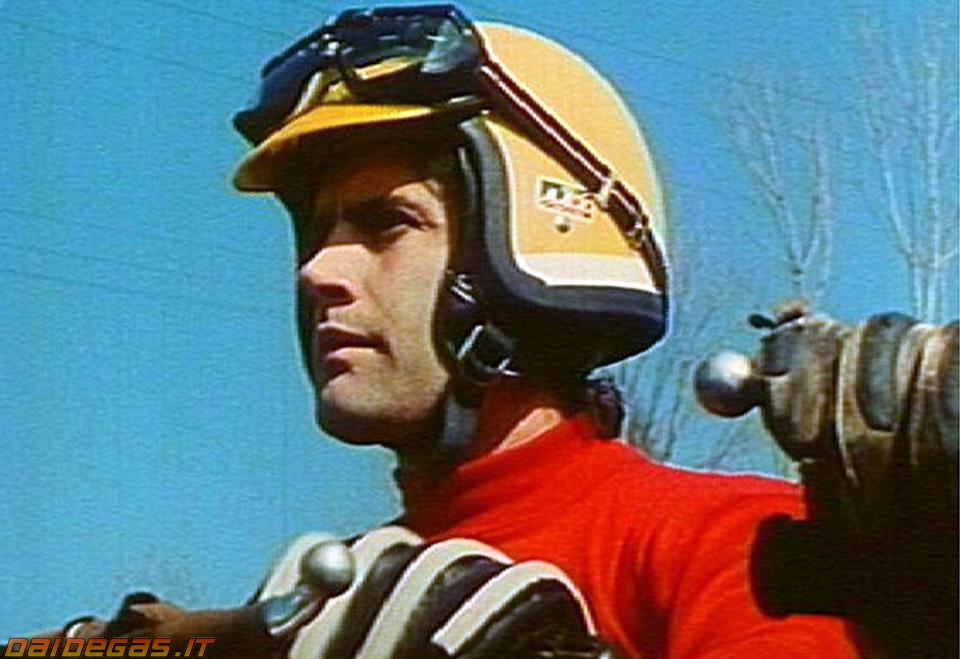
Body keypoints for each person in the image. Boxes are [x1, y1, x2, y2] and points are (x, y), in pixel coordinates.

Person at [7, 6, 861, 658]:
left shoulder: (736, 548)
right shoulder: (324, 613)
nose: (318, 271)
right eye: (317, 232)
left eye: (386, 223)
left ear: (533, 243)